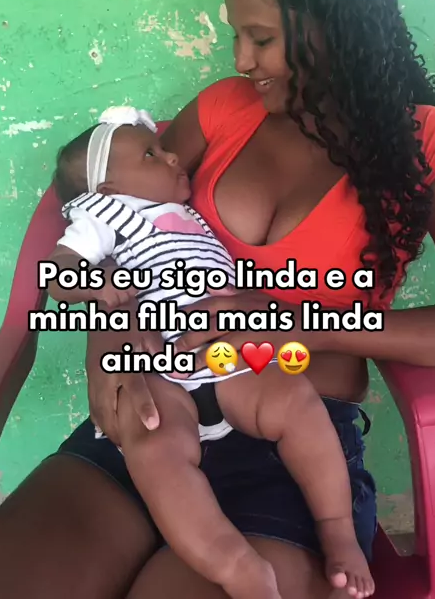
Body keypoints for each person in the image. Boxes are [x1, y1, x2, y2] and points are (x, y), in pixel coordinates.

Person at [0, 0, 435, 599]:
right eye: (236, 36)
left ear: (331, 30)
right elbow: (107, 211)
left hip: (293, 432)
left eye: (262, 38)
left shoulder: (423, 143)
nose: (241, 60)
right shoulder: (225, 110)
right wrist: (111, 332)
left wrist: (301, 325)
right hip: (159, 406)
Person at [44, 105, 374, 598]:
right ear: (106, 189)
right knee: (154, 449)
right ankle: (235, 565)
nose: (173, 156)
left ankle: (337, 530)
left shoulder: (188, 213)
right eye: (152, 154)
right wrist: (97, 287)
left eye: (163, 149)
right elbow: (59, 271)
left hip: (225, 353)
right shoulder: (100, 214)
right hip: (160, 365)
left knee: (298, 403)